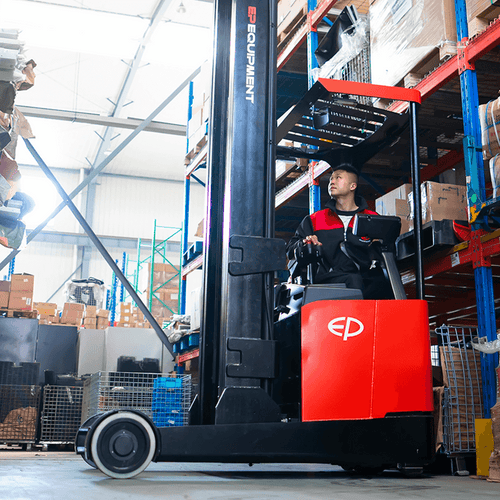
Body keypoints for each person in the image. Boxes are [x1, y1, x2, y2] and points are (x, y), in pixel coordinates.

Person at [286, 163, 391, 299]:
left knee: (384, 284)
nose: (332, 181)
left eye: (338, 178)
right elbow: (290, 250)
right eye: (331, 179)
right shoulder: (315, 219)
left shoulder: (372, 218)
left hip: (366, 279)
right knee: (353, 281)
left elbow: (387, 248)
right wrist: (305, 243)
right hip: (329, 281)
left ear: (352, 186)